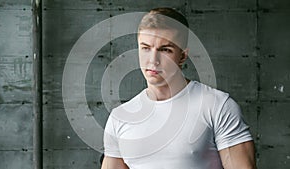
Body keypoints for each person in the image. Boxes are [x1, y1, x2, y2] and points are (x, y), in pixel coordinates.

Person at [101, 7, 256, 169]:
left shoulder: (217, 106)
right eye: (146, 48)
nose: (153, 60)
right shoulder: (120, 118)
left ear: (182, 56)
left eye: (165, 50)